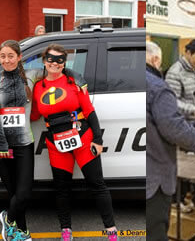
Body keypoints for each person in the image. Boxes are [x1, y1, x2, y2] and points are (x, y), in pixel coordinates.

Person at [29, 43, 118, 241]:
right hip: (56, 143)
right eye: (51, 59)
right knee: (62, 188)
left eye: (60, 60)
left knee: (97, 184)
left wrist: (97, 139)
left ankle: (111, 231)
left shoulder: (73, 82)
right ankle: (66, 230)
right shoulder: (37, 87)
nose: (55, 63)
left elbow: (89, 111)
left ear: (65, 62)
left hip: (83, 138)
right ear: (44, 61)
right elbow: (33, 115)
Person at [145, 40, 195, 241]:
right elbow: (171, 111)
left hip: (194, 128)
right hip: (180, 130)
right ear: (155, 59)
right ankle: (182, 199)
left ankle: (193, 198)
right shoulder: (167, 79)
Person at [0, 40, 34, 241]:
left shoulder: (30, 78)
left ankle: (8, 218)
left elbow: (56, 71)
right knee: (13, 191)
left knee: (23, 194)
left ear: (19, 57)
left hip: (24, 143)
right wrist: (3, 144)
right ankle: (20, 232)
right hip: (3, 144)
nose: (6, 60)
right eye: (3, 56)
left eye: (10, 56)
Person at [165, 39, 195, 124]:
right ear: (188, 53)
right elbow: (171, 101)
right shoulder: (175, 72)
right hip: (184, 125)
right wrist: (193, 111)